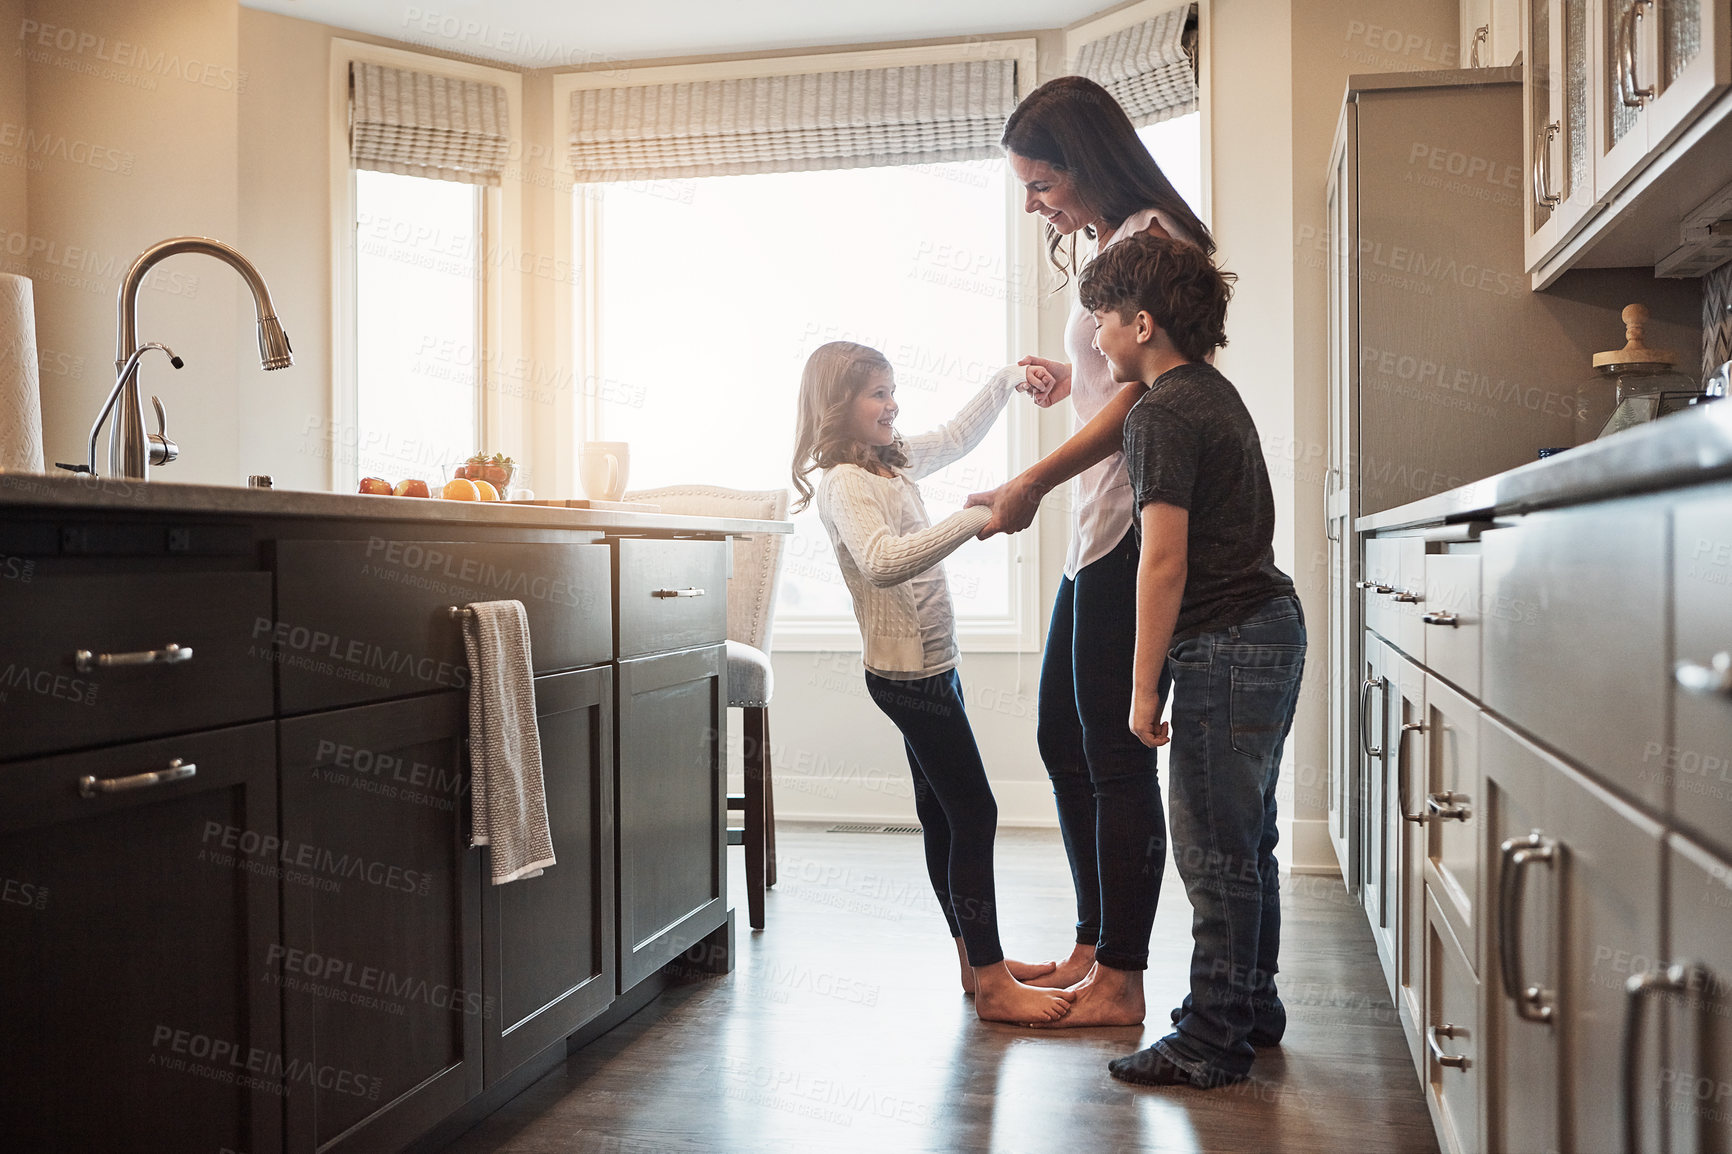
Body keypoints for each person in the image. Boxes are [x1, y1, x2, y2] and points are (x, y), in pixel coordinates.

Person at [967, 74, 1215, 1028]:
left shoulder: (1155, 239)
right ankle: (1094, 941)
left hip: (1123, 519)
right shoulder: (1119, 243)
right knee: (1063, 738)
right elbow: (1110, 375)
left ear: (1087, 161)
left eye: (1041, 183)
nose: (1035, 203)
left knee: (1112, 754)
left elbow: (1145, 393)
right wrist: (1060, 376)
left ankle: (1123, 977)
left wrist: (1033, 477)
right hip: (1094, 526)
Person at [1075, 232, 1306, 1087]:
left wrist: (1143, 692)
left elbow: (1161, 561)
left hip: (1228, 641)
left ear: (1141, 323)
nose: (1095, 337)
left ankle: (1212, 1039)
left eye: (1100, 318)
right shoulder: (1210, 391)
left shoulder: (1160, 413)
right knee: (1247, 841)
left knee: (1212, 849)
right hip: (1269, 625)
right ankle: (1248, 1006)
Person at [791, 341, 1071, 1026]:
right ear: (838, 406)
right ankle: (994, 978)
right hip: (908, 677)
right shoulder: (844, 482)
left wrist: (1008, 378)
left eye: (892, 390)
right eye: (875, 395)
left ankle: (977, 966)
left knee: (945, 815)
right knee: (975, 814)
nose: (891, 405)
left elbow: (954, 435)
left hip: (933, 668)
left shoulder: (885, 459)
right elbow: (883, 562)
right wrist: (981, 515)